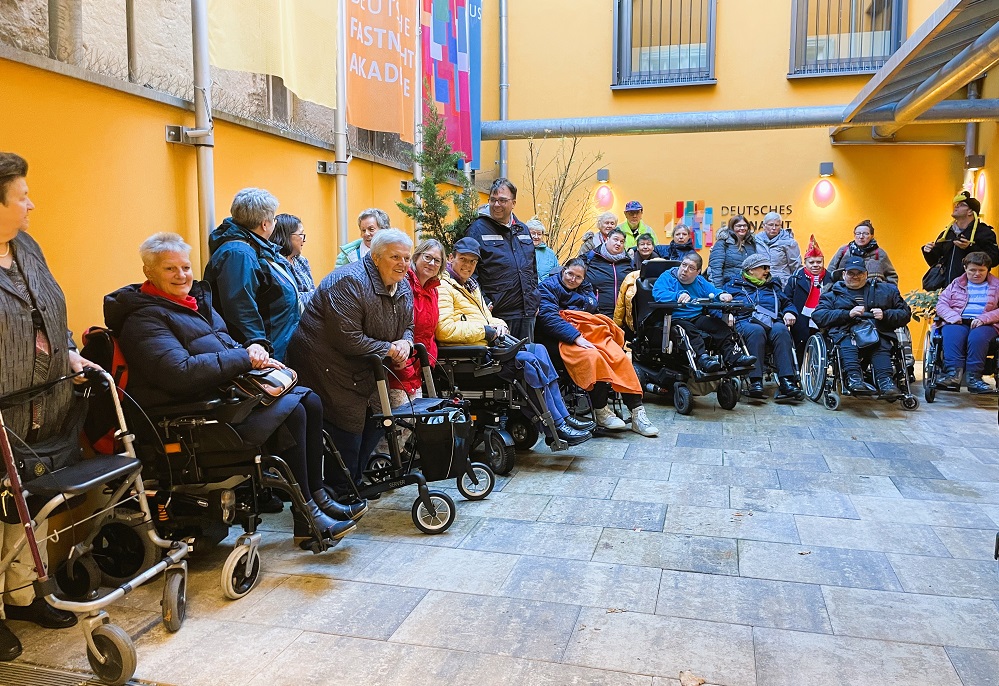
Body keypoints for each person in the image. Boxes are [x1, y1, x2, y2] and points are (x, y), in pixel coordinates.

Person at [106, 234, 361, 544]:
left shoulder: (194, 304)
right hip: (191, 414)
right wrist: (243, 358)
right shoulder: (144, 319)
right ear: (148, 272)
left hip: (222, 398)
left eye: (185, 267)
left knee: (309, 400)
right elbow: (178, 373)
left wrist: (257, 355)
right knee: (293, 411)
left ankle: (317, 496)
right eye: (170, 269)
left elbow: (225, 345)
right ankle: (306, 514)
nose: (181, 275)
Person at [0, 152, 86, 660]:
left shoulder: (26, 246)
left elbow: (52, 305)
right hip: (4, 406)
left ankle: (26, 593)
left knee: (32, 500)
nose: (32, 204)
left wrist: (69, 348)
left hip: (47, 401)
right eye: (22, 196)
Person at [288, 229, 415, 498]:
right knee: (345, 428)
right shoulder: (349, 281)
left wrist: (405, 342)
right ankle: (339, 492)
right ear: (376, 257)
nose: (403, 264)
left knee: (374, 422)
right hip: (325, 364)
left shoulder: (402, 284)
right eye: (395, 257)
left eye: (406, 257)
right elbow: (348, 338)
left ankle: (353, 482)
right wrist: (390, 348)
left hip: (364, 367)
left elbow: (409, 325)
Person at [437, 238, 591, 446]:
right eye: (463, 259)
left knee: (540, 350)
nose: (468, 265)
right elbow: (445, 329)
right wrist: (486, 331)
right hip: (471, 357)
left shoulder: (470, 285)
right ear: (451, 257)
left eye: (473, 262)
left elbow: (485, 317)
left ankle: (563, 416)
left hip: (487, 346)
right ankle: (554, 425)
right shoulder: (444, 287)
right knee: (528, 360)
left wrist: (498, 324)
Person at [537, 258, 660, 437]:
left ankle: (637, 413)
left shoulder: (586, 287)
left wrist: (573, 311)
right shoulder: (547, 287)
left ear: (583, 278)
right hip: (560, 337)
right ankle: (601, 410)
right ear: (563, 270)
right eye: (570, 273)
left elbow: (593, 308)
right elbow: (549, 318)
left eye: (578, 277)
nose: (573, 279)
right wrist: (575, 336)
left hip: (588, 333)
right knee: (593, 357)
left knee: (620, 356)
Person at [203, 188, 300, 362]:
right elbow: (240, 306)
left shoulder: (254, 247)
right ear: (264, 224)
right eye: (273, 218)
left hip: (276, 343)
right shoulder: (238, 254)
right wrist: (258, 344)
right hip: (264, 352)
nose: (275, 223)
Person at [811, 256, 911, 398]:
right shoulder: (831, 294)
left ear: (866, 274)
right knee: (848, 342)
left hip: (877, 331)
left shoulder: (886, 291)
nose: (855, 277)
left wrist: (886, 314)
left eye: (859, 273)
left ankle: (886, 382)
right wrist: (847, 314)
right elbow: (819, 316)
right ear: (844, 274)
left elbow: (905, 314)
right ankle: (854, 379)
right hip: (845, 333)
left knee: (881, 344)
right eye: (851, 273)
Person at [652, 252, 757, 372]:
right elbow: (658, 293)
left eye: (691, 268)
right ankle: (703, 358)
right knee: (689, 331)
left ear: (698, 272)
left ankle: (734, 357)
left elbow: (713, 291)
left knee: (720, 326)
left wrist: (722, 295)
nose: (685, 270)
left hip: (696, 317)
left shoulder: (700, 281)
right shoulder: (668, 277)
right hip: (675, 318)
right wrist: (678, 295)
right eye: (684, 265)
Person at [464, 178, 539, 340]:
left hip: (527, 312)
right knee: (506, 364)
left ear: (513, 203)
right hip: (498, 313)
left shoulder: (523, 229)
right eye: (493, 200)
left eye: (502, 200)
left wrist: (535, 298)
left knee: (527, 360)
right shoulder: (477, 230)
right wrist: (484, 302)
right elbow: (468, 273)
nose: (497, 205)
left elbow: (532, 268)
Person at [726, 254, 804, 401]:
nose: (767, 270)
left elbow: (787, 303)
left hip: (772, 320)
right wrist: (727, 314)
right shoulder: (733, 285)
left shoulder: (773, 286)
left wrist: (789, 311)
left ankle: (787, 381)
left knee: (781, 331)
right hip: (746, 321)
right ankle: (755, 381)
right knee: (756, 331)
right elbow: (722, 302)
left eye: (768, 267)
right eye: (763, 267)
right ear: (750, 270)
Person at [934, 252, 999, 393]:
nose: (977, 273)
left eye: (981, 270)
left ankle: (974, 378)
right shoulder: (956, 284)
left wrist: (983, 319)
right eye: (972, 270)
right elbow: (941, 304)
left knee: (977, 338)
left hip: (985, 323)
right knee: (953, 335)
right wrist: (952, 316)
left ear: (988, 269)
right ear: (965, 268)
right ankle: (953, 375)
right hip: (958, 320)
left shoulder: (996, 286)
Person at [389, 239, 444, 406]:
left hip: (420, 369)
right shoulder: (402, 284)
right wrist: (405, 365)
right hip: (398, 366)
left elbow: (429, 331)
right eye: (427, 257)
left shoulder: (433, 290)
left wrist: (430, 359)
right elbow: (397, 329)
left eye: (437, 260)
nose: (431, 263)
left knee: (415, 426)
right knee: (402, 425)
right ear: (417, 257)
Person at [923, 191, 999, 287]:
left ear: (970, 211)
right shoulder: (946, 234)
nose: (956, 206)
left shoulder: (984, 232)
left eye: (962, 205)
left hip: (974, 288)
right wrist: (929, 251)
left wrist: (970, 247)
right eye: (956, 204)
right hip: (948, 289)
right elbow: (935, 262)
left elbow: (994, 259)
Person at [785, 235, 832, 360]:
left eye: (819, 262)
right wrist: (789, 313)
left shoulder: (831, 279)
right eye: (811, 262)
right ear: (805, 263)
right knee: (800, 351)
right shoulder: (795, 279)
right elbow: (786, 299)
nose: (815, 265)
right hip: (800, 321)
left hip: (824, 321)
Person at [828, 220, 898, 284]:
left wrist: (888, 293)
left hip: (872, 294)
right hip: (844, 293)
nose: (861, 237)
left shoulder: (879, 253)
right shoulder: (844, 250)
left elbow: (892, 276)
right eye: (858, 233)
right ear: (854, 235)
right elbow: (829, 273)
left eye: (865, 233)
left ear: (872, 236)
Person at [583, 228, 633, 317]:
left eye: (622, 242)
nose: (618, 243)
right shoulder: (590, 258)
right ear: (607, 239)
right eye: (616, 239)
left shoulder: (628, 262)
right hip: (596, 315)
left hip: (622, 317)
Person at [709, 215, 761, 288]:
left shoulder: (751, 243)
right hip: (729, 286)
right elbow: (715, 269)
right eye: (738, 226)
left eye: (744, 225)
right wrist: (719, 290)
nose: (742, 228)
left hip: (749, 287)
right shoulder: (723, 243)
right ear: (732, 227)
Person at [270, 213, 314, 295]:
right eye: (300, 234)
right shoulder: (274, 263)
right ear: (286, 236)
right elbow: (290, 297)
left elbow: (313, 290)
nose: (304, 240)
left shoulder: (302, 261)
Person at [754, 212, 801, 287]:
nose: (774, 228)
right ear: (764, 225)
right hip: (761, 282)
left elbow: (796, 265)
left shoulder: (789, 242)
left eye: (777, 225)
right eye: (771, 225)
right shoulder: (756, 240)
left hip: (783, 283)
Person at [527, 218, 560, 283]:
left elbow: (557, 274)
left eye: (539, 234)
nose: (536, 237)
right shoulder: (520, 251)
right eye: (533, 233)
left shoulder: (550, 253)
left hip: (546, 290)